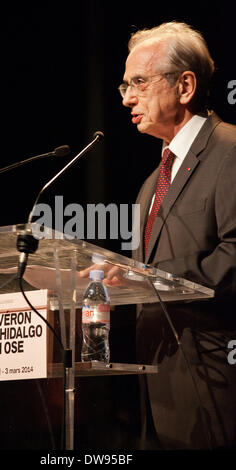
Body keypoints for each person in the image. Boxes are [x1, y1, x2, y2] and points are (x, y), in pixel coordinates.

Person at [82, 21, 236, 450]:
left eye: (140, 82)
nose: (128, 97)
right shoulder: (151, 182)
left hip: (217, 379)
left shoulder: (231, 151)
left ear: (185, 85)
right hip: (158, 383)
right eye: (124, 86)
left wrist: (147, 277)